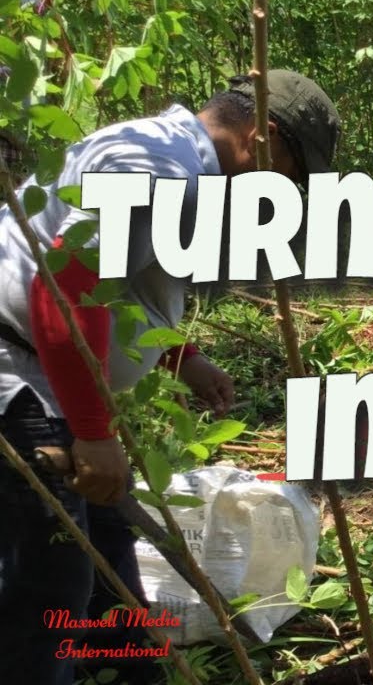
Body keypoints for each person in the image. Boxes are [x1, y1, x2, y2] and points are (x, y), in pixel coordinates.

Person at [0, 69, 339, 684]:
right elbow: (63, 291)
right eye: (290, 173)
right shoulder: (157, 169)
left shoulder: (174, 161)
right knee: (47, 594)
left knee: (110, 572)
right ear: (262, 137)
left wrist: (183, 357)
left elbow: (121, 285)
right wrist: (93, 433)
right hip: (23, 381)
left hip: (54, 380)